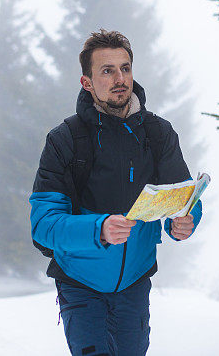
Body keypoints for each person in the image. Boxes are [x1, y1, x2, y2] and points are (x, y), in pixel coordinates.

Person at [29, 29, 203, 356]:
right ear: (87, 82)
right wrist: (100, 228)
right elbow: (43, 225)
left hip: (135, 284)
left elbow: (182, 198)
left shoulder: (158, 133)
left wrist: (185, 221)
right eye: (107, 71)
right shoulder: (65, 139)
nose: (119, 77)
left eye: (125, 68)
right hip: (80, 284)